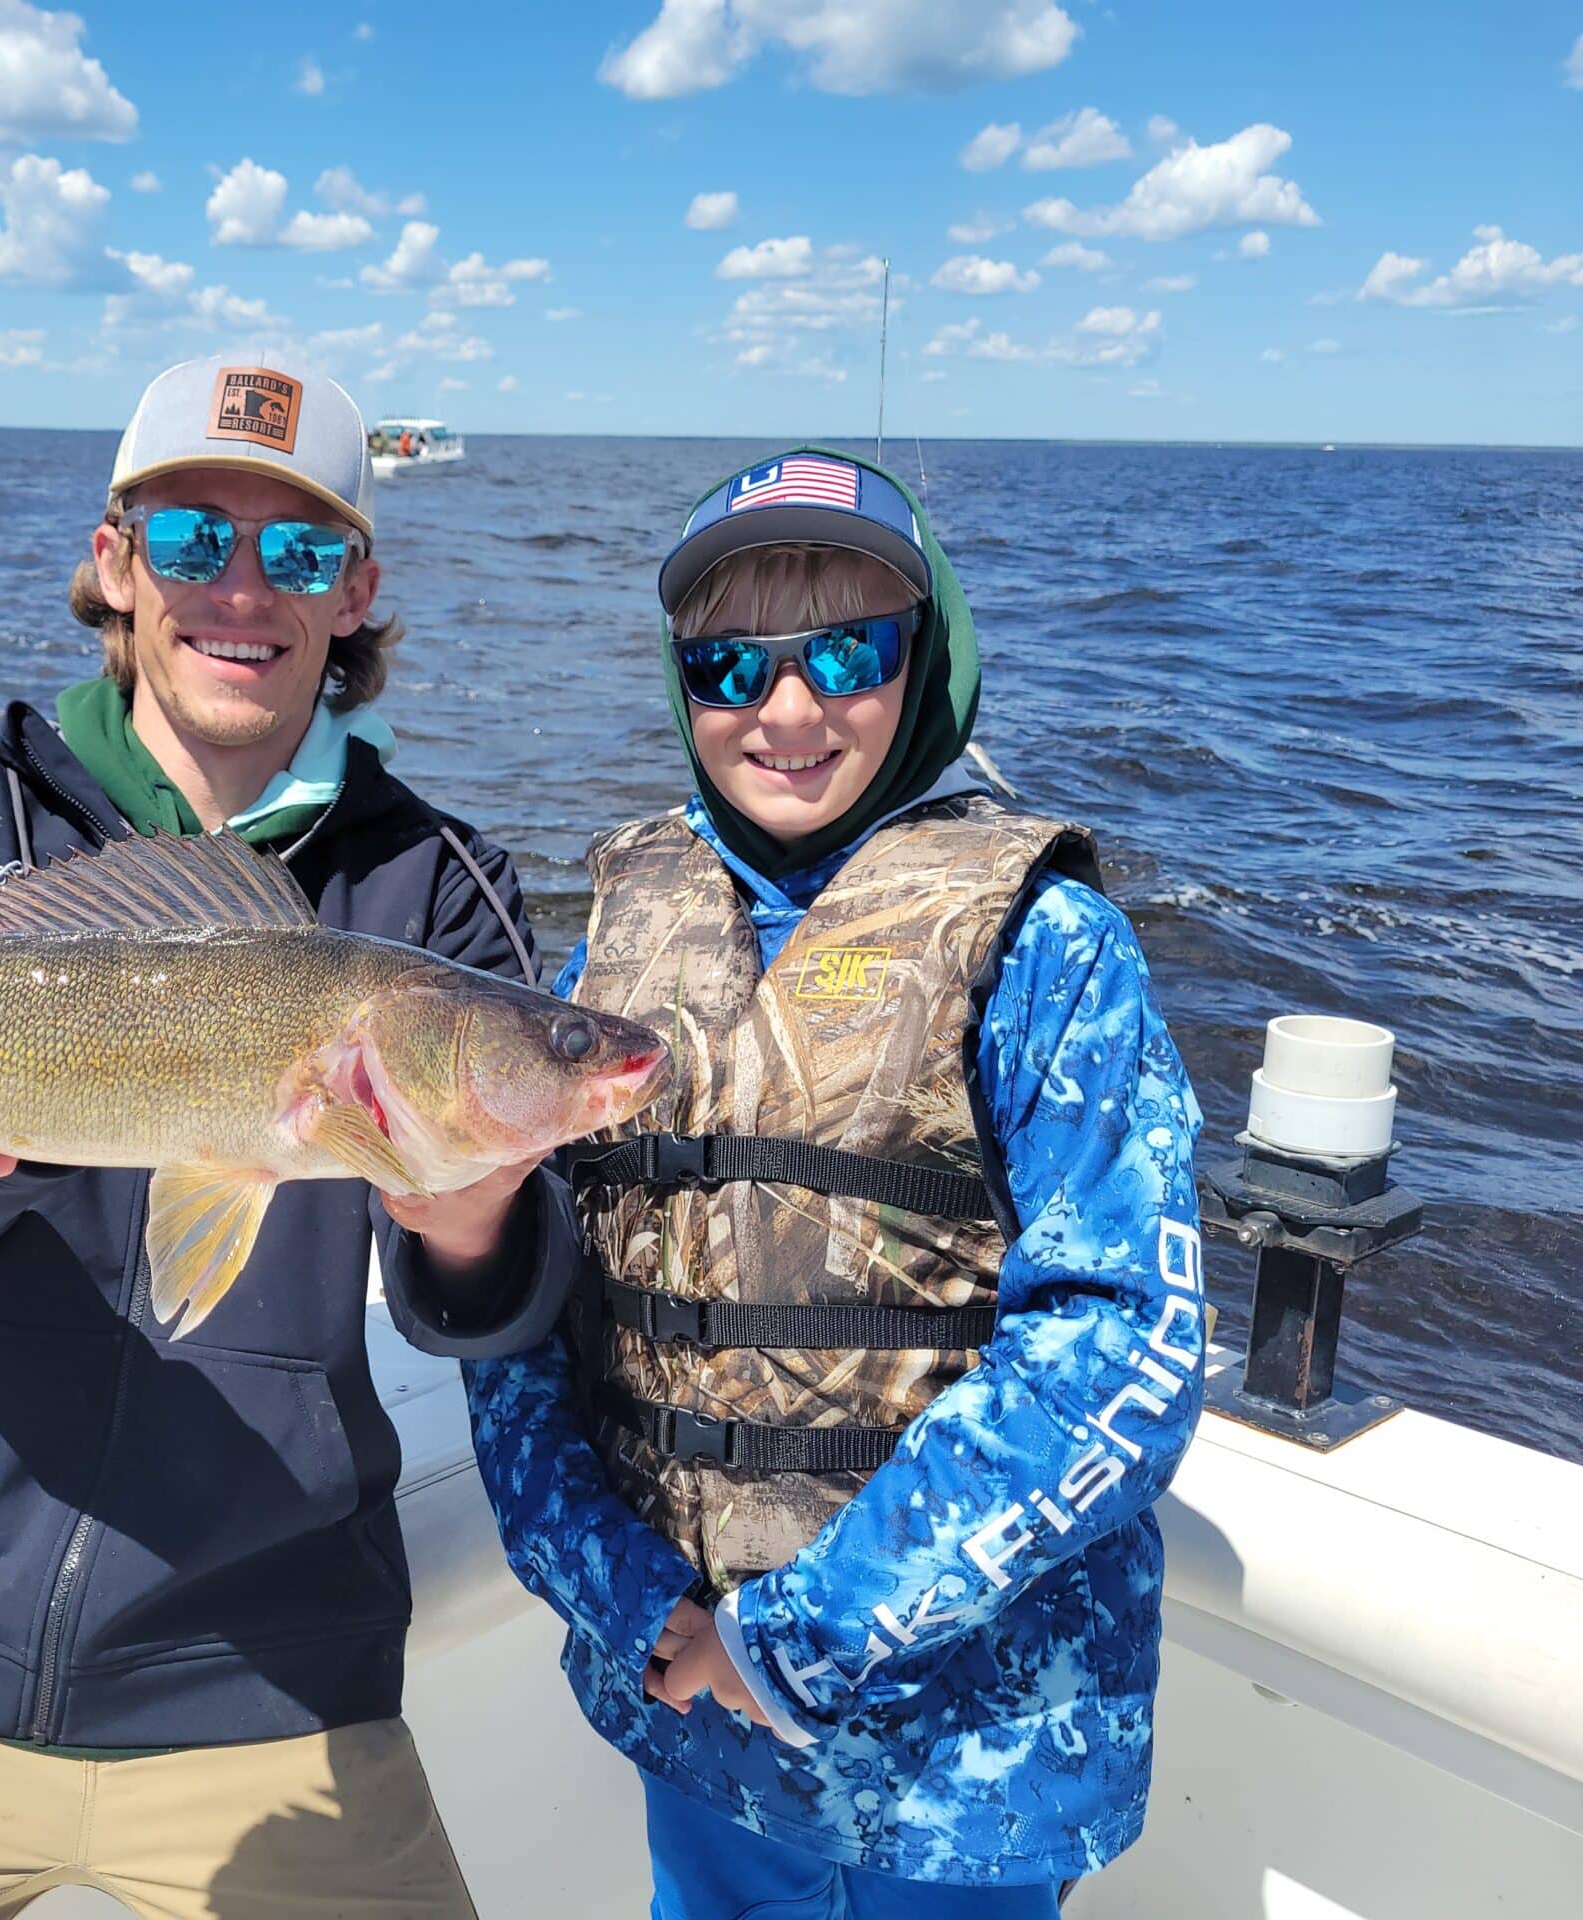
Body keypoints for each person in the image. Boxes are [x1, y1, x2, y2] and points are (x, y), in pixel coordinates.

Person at [0, 354, 575, 1920]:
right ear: (114, 563)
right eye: (188, 540)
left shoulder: (438, 892)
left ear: (354, 590)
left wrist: (475, 1219)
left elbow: (492, 1318)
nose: (242, 588)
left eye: (296, 551)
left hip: (271, 1679)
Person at [464, 448, 1207, 1915]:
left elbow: (1126, 1351)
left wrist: (794, 1640)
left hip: (966, 1765)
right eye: (730, 664)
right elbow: (533, 1310)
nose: (786, 710)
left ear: (924, 661)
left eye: (846, 651)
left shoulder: (1049, 951)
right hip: (691, 1724)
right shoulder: (612, 950)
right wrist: (626, 1604)